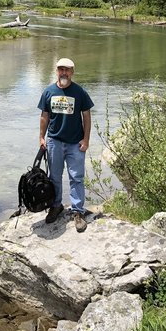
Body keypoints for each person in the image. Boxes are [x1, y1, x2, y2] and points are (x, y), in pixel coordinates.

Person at [37, 57, 94, 232]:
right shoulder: (48, 92)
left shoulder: (80, 92)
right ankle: (56, 206)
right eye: (61, 69)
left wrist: (86, 139)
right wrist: (41, 137)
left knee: (76, 177)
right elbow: (44, 116)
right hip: (54, 141)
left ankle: (77, 211)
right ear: (56, 71)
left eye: (67, 70)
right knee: (54, 177)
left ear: (72, 72)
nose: (64, 73)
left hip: (75, 143)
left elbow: (86, 117)